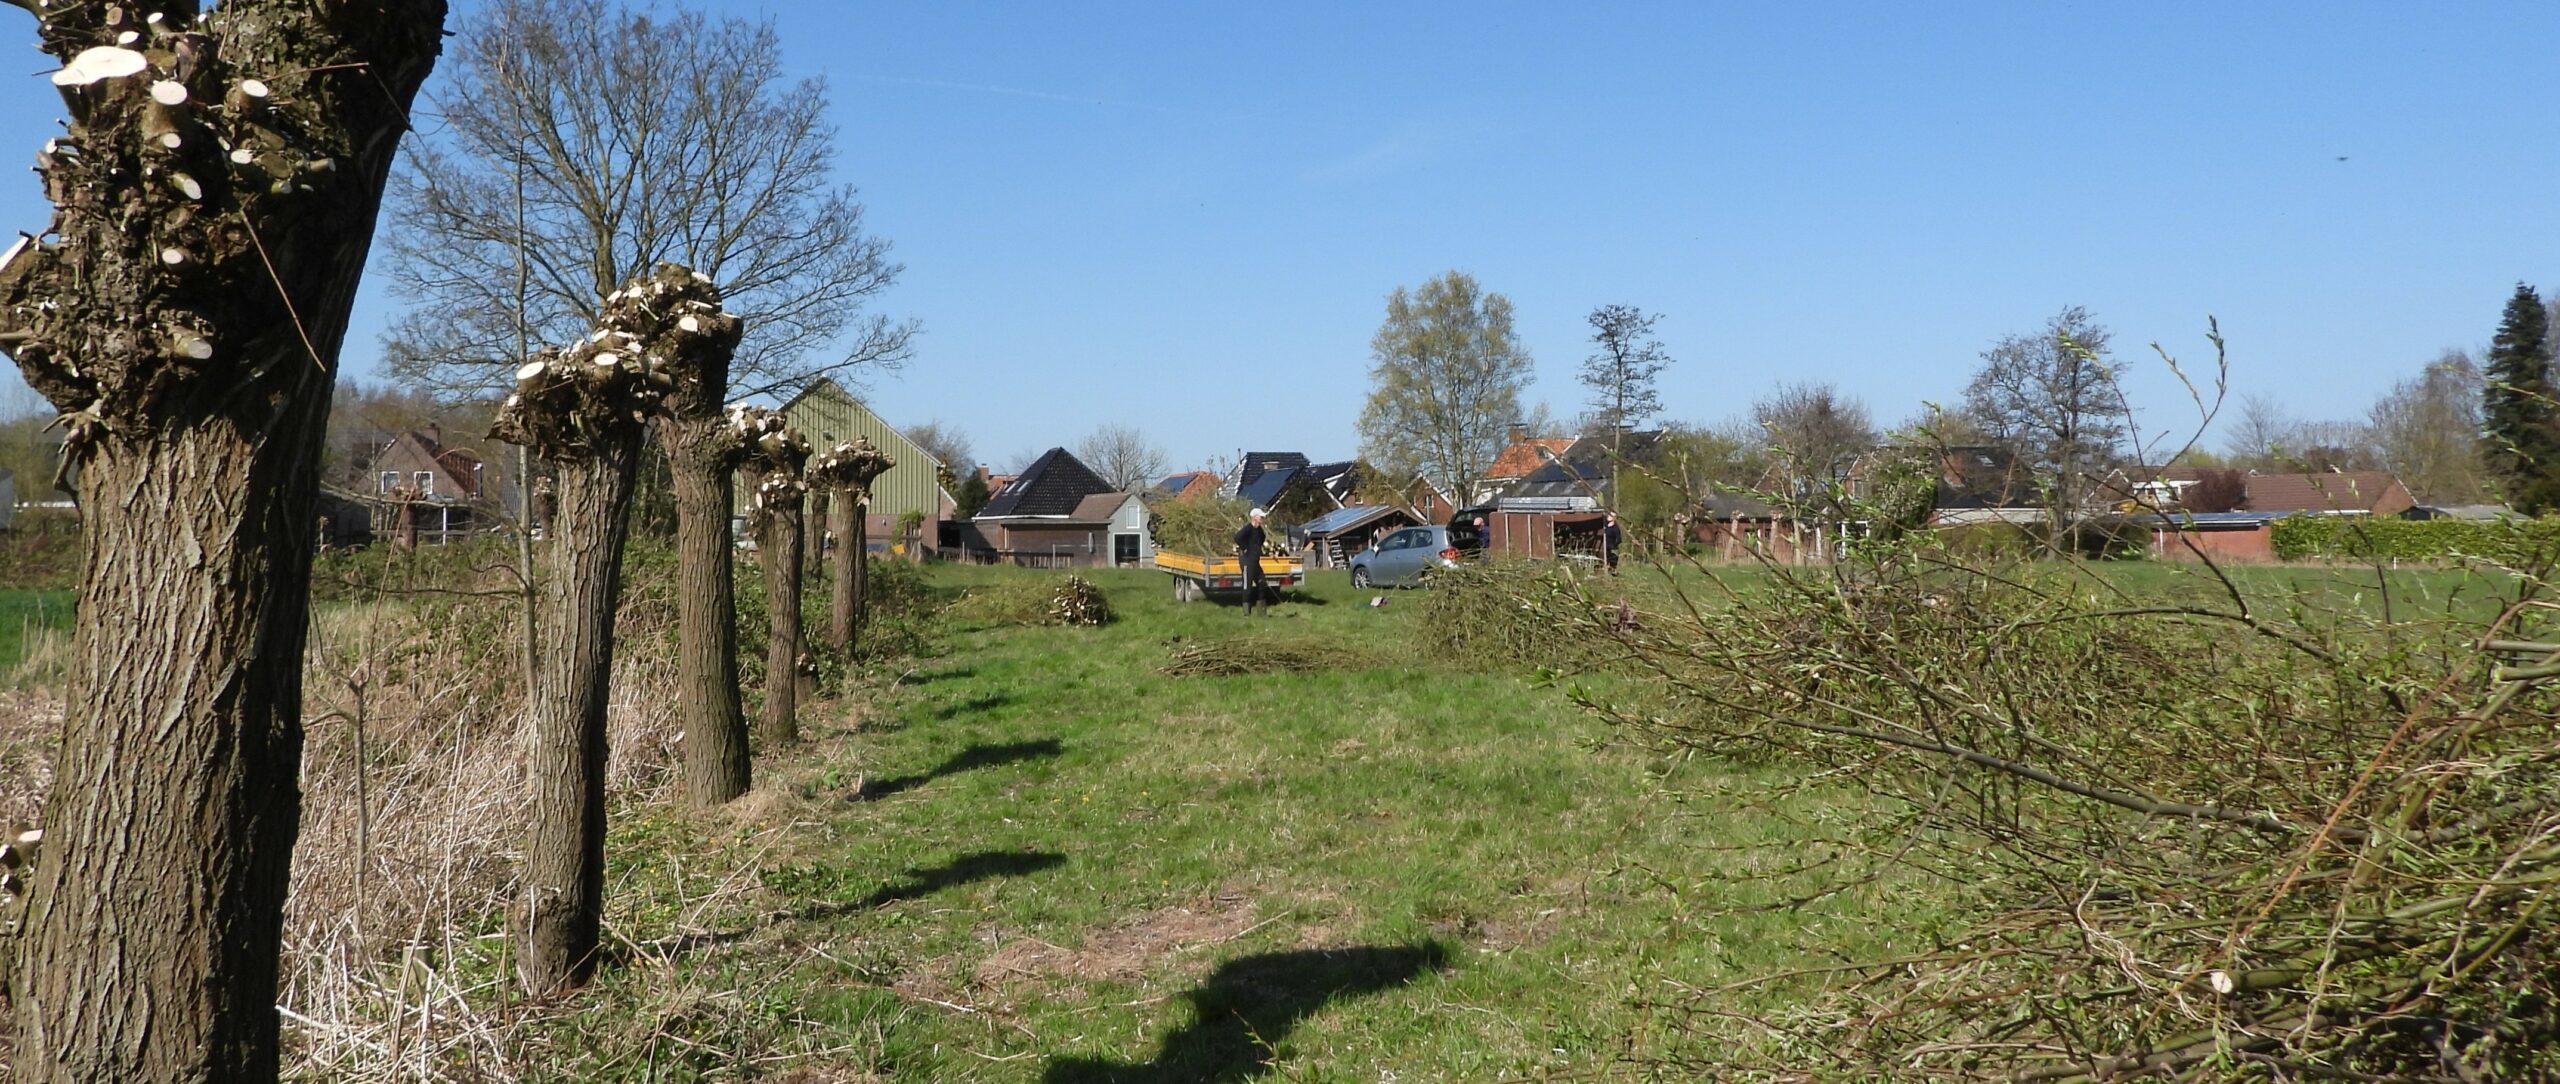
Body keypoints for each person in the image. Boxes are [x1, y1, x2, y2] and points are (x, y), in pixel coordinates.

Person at [1233, 506, 1271, 615]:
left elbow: (1263, 537)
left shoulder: (1259, 530)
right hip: (1246, 562)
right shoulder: (1248, 528)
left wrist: (1257, 549)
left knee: (1261, 583)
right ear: (1254, 518)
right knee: (1247, 587)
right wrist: (1245, 548)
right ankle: (1246, 612)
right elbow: (1237, 537)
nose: (1263, 519)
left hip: (1255, 562)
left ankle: (1262, 612)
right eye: (1261, 517)